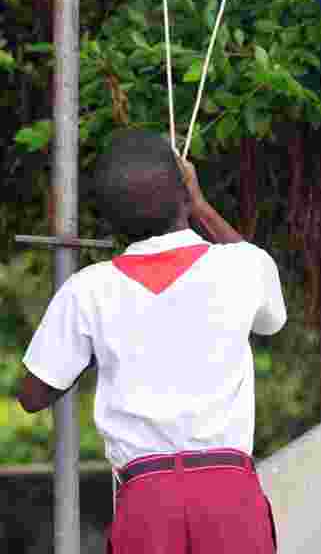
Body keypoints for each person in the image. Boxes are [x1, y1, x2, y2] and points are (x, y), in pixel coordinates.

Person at [17, 129, 287, 553]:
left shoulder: (88, 290)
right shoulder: (243, 266)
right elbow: (271, 319)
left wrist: (98, 350)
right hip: (229, 495)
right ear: (185, 194)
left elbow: (32, 394)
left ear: (111, 219)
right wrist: (201, 207)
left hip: (148, 500)